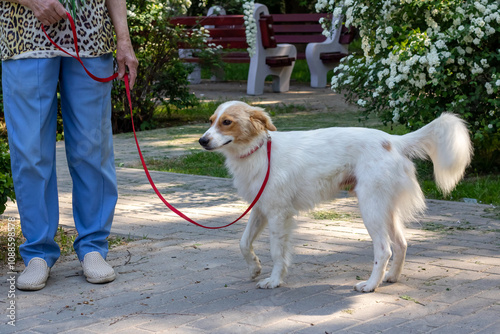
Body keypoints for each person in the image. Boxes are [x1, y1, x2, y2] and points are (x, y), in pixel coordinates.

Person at [0, 0, 138, 290]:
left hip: (90, 38)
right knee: (30, 152)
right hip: (25, 38)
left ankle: (93, 248)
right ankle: (37, 252)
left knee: (93, 150)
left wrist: (124, 41)